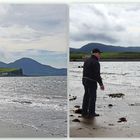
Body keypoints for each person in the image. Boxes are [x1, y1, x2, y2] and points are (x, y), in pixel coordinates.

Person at [82, 48, 105, 118]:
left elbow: (85, 71)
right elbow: (97, 74)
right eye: (99, 53)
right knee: (92, 97)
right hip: (91, 81)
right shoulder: (95, 62)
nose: (100, 55)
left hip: (84, 79)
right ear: (96, 53)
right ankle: (91, 113)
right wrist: (101, 84)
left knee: (86, 96)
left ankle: (84, 112)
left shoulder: (87, 61)